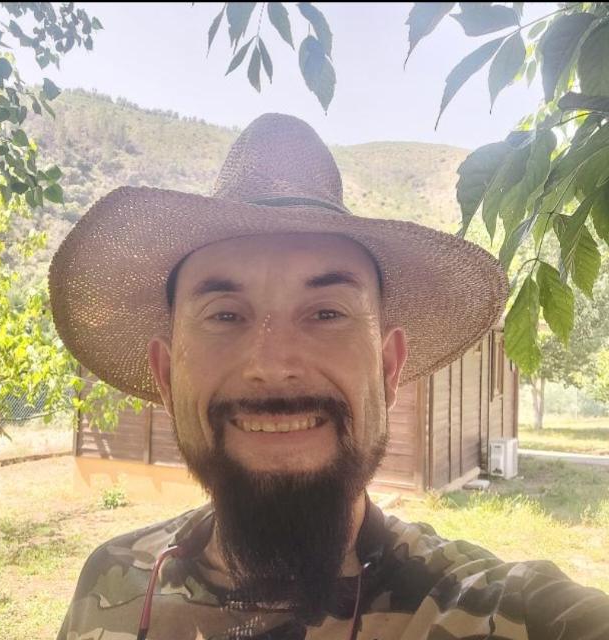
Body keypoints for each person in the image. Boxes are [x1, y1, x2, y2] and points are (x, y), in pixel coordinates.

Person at [51, 113, 609, 640]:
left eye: (326, 313)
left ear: (388, 369)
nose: (272, 365)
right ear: (167, 376)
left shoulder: (496, 610)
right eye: (224, 316)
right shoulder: (108, 583)